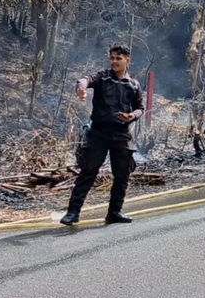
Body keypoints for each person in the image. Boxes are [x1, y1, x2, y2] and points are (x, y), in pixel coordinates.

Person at [61, 45, 144, 226]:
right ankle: (73, 212)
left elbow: (140, 108)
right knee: (88, 172)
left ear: (127, 60)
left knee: (122, 175)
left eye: (118, 58)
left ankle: (114, 212)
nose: (114, 61)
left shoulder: (134, 85)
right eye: (112, 58)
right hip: (98, 133)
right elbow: (85, 79)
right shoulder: (103, 77)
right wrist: (81, 89)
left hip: (122, 134)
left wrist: (132, 116)